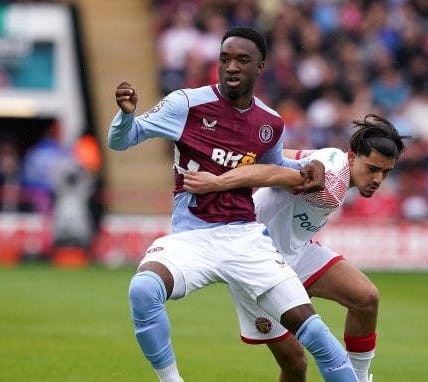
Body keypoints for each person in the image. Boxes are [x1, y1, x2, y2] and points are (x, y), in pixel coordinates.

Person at [108, 26, 358, 382]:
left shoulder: (269, 123)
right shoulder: (187, 104)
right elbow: (122, 141)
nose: (231, 67)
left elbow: (274, 167)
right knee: (144, 289)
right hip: (192, 236)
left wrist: (307, 169)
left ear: (261, 67)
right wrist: (126, 116)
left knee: (316, 334)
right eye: (225, 59)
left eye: (242, 60)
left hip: (245, 239)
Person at [184, 114, 409, 382]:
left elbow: (280, 156)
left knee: (365, 298)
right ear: (352, 157)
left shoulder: (332, 157)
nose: (378, 179)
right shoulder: (330, 187)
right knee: (295, 364)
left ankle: (358, 378)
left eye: (385, 172)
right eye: (372, 168)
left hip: (296, 251)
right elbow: (275, 173)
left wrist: (250, 155)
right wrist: (218, 182)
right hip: (256, 262)